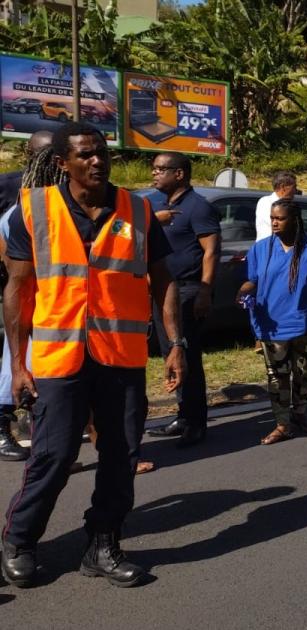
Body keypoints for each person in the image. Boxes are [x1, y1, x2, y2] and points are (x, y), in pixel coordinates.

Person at [1, 122, 185, 589]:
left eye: (102, 153)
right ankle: (19, 541)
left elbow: (163, 280)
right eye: (85, 154)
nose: (97, 161)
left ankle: (102, 544)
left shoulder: (138, 210)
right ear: (63, 162)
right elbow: (18, 289)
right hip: (58, 357)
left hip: (119, 356)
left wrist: (174, 344)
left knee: (122, 453)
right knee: (54, 455)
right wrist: (17, 366)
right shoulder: (35, 209)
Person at [238, 198, 307, 446]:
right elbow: (252, 280)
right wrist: (244, 291)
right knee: (277, 376)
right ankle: (282, 424)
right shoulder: (260, 249)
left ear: (295, 220)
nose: (274, 222)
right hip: (271, 326)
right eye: (272, 218)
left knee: (303, 373)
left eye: (280, 218)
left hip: (305, 323)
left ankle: (300, 414)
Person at [144, 151, 220, 448]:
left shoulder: (198, 207)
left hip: (188, 289)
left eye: (161, 169)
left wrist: (204, 291)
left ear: (179, 174)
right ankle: (183, 413)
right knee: (170, 354)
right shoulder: (153, 204)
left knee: (186, 354)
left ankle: (195, 422)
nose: (155, 173)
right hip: (161, 291)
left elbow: (211, 252)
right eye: (154, 169)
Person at [0, 131, 53, 462]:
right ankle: (4, 428)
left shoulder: (63, 195)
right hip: (24, 298)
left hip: (53, 305)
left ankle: (45, 445)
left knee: (37, 374)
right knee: (16, 363)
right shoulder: (17, 195)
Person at [255, 172, 298, 242]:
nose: (295, 191)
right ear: (283, 187)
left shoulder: (289, 205)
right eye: (294, 187)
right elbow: (278, 228)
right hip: (269, 248)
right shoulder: (266, 202)